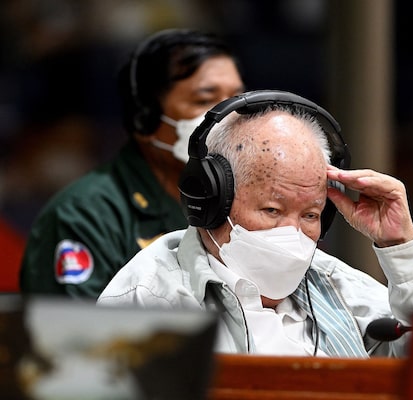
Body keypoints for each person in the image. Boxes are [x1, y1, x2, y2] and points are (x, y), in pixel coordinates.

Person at [97, 90, 413, 358]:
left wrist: (402, 248)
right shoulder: (149, 298)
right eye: (273, 211)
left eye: (310, 215)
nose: (292, 234)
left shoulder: (339, 287)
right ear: (210, 201)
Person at [19, 29, 245, 298]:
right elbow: (73, 323)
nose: (227, 115)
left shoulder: (247, 197)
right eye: (204, 100)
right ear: (144, 119)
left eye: (236, 98)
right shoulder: (84, 216)